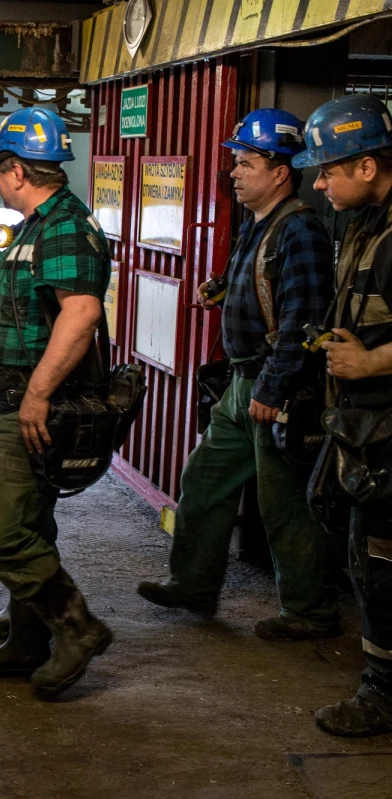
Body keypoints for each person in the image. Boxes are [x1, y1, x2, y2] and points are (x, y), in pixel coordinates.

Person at [137, 109, 340, 641]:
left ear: (280, 171)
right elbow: (257, 281)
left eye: (245, 163)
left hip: (278, 387)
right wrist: (222, 289)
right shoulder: (261, 223)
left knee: (284, 505)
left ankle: (310, 612)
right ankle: (194, 584)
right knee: (202, 481)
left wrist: (273, 389)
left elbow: (304, 318)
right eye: (234, 162)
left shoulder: (301, 230)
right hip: (241, 384)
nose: (233, 172)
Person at [0, 107, 112, 697]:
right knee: (31, 526)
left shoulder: (65, 227)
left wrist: (39, 396)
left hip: (36, 404)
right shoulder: (35, 227)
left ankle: (77, 629)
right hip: (18, 401)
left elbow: (81, 314)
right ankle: (27, 643)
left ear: (17, 170)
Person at [293, 94, 392, 737]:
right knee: (369, 558)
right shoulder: (364, 223)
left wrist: (371, 363)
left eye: (328, 170)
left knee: (381, 564)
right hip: (366, 434)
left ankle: (382, 694)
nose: (319, 182)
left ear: (366, 165)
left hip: (387, 432)